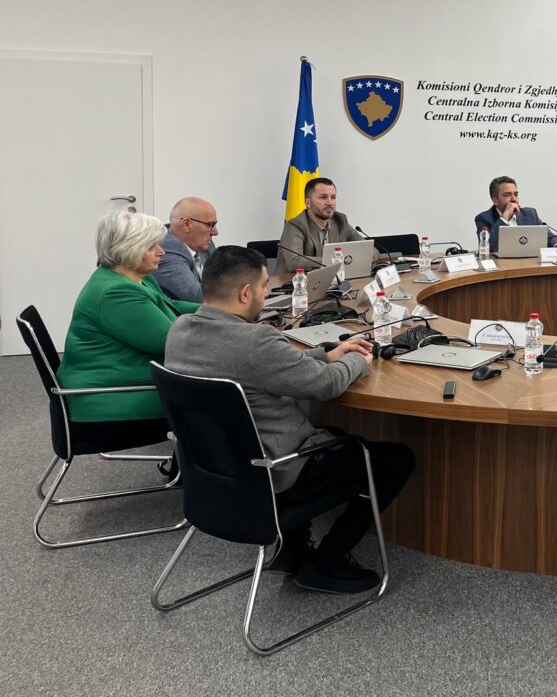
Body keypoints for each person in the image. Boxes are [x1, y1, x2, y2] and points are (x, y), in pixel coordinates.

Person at [165, 246, 416, 593]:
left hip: (216, 477)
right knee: (395, 459)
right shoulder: (254, 341)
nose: (267, 294)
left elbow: (265, 365)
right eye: (264, 286)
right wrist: (358, 361)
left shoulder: (180, 329)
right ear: (245, 293)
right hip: (274, 475)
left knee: (334, 433)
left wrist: (325, 354)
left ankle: (292, 549)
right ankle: (327, 561)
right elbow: (326, 386)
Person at [59, 211, 199, 431]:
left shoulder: (134, 277)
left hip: (128, 379)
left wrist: (221, 310)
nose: (161, 252)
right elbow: (171, 342)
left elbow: (171, 305)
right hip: (109, 398)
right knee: (224, 398)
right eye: (152, 247)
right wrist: (227, 327)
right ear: (129, 248)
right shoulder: (116, 292)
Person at [276, 177, 358, 273]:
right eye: (323, 197)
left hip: (331, 279)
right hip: (295, 281)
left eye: (333, 197)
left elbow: (368, 250)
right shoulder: (295, 225)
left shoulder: (340, 220)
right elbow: (295, 262)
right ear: (308, 203)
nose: (330, 203)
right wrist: (336, 260)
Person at [473, 175, 557, 247]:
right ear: (495, 200)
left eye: (516, 194)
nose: (514, 199)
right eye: (507, 195)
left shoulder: (530, 214)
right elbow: (488, 246)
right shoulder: (484, 219)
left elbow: (548, 237)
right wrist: (505, 217)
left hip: (529, 264)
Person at [154, 197, 219, 301]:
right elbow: (198, 297)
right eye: (210, 225)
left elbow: (224, 278)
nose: (215, 232)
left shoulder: (203, 242)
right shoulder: (168, 249)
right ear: (186, 224)